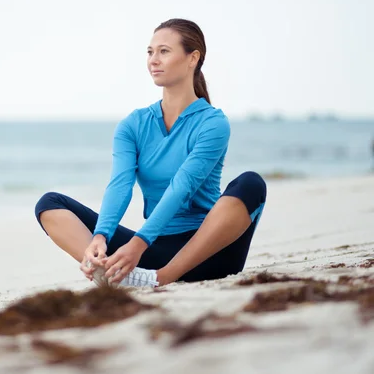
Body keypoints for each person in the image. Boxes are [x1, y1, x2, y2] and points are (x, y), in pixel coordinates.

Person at [34, 18, 267, 288]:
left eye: (164, 51)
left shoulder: (213, 123)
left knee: (251, 183)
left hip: (209, 253)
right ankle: (109, 271)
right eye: (150, 52)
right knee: (50, 203)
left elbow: (182, 188)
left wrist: (138, 244)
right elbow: (120, 186)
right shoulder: (133, 125)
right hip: (155, 249)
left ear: (193, 58)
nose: (153, 60)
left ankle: (160, 278)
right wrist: (100, 236)